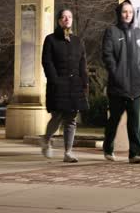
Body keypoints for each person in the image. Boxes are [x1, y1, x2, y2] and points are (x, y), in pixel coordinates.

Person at [102, 0, 140, 164]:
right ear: (119, 14)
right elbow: (107, 56)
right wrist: (115, 74)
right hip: (117, 87)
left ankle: (134, 154)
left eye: (130, 12)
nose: (127, 15)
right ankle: (108, 147)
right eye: (124, 12)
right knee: (114, 120)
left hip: (136, 87)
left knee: (136, 122)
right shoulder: (111, 32)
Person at [40, 9, 89, 163]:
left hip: (75, 85)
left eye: (69, 16)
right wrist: (55, 80)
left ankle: (68, 152)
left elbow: (83, 63)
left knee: (71, 119)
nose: (67, 19)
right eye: (63, 17)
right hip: (58, 84)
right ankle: (46, 140)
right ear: (59, 20)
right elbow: (47, 62)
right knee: (58, 116)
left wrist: (84, 81)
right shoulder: (50, 39)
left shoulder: (77, 41)